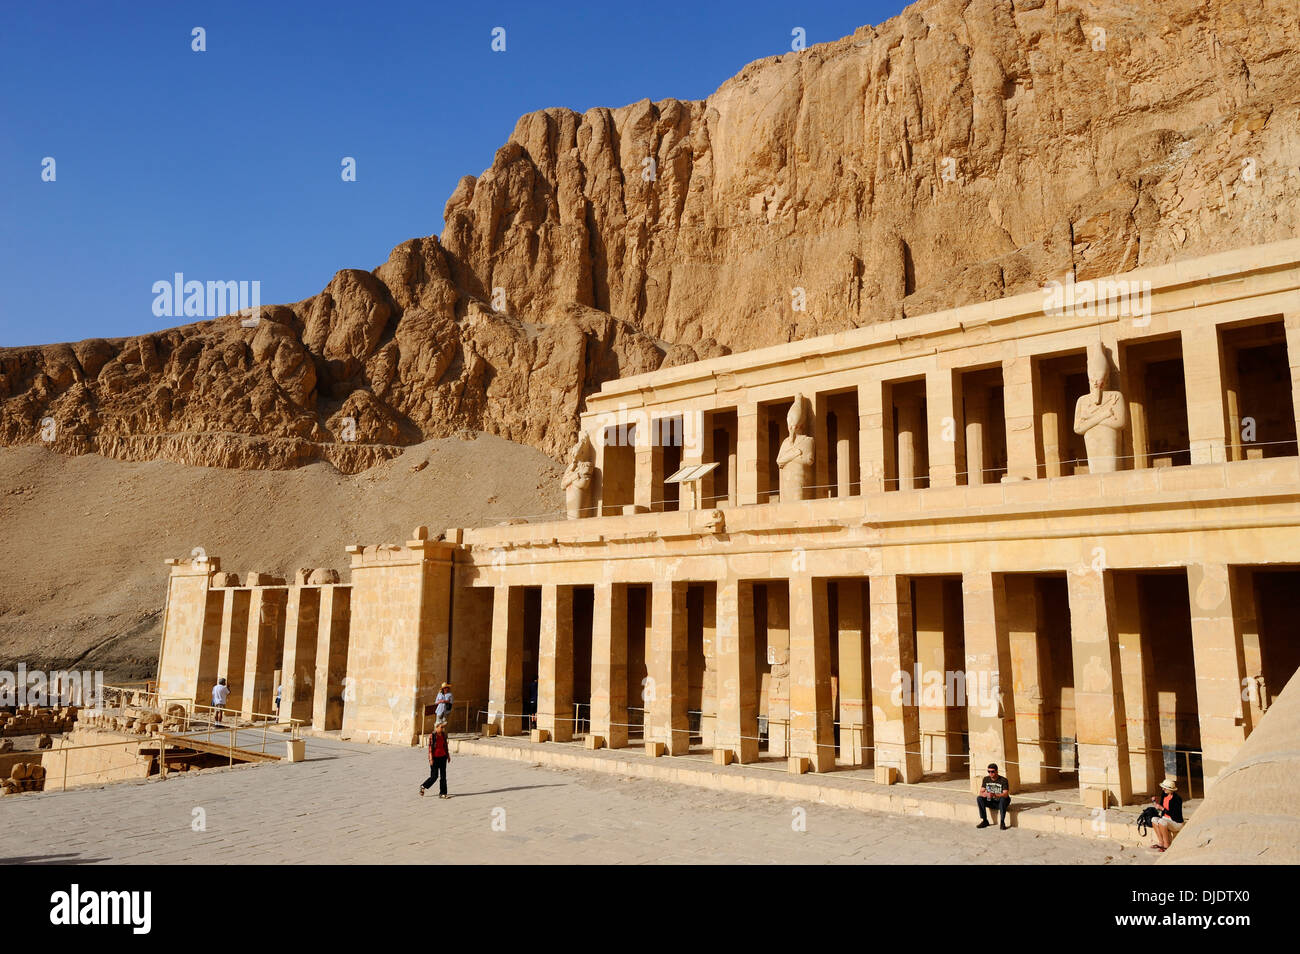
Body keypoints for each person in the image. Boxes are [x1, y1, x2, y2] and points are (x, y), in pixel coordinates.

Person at [419, 721, 451, 799]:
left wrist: (448, 755)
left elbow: (445, 746)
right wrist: (430, 759)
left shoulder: (443, 735)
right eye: (441, 727)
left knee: (443, 776)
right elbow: (430, 748)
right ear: (436, 727)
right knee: (434, 776)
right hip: (435, 758)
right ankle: (423, 786)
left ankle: (443, 793)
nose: (442, 729)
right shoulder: (432, 736)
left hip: (443, 757)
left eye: (443, 727)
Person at [1151, 777, 1184, 851]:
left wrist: (1162, 809)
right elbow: (1162, 808)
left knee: (1161, 822)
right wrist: (1155, 803)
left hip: (1176, 822)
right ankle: (1161, 843)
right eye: (1163, 788)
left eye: (1165, 788)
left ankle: (1167, 845)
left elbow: (1174, 814)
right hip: (1166, 819)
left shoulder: (1177, 799)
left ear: (1170, 789)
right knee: (1153, 819)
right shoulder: (1164, 795)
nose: (1163, 789)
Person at [976, 762, 1012, 830]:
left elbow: (1005, 794)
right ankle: (984, 821)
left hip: (1002, 802)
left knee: (1003, 799)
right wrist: (986, 794)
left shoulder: (1003, 780)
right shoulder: (986, 779)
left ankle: (1002, 822)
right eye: (989, 771)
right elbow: (981, 792)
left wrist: (994, 794)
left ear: (997, 771)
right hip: (992, 801)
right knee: (979, 798)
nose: (990, 773)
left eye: (992, 771)